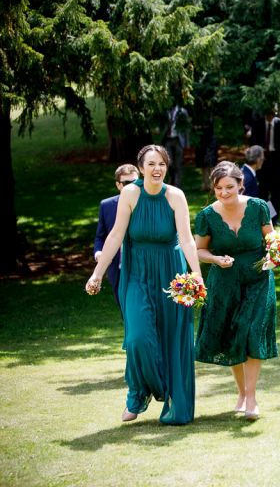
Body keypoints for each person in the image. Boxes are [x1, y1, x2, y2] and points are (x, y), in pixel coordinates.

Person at [85, 145, 202, 425]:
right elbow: (114, 236)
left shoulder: (176, 196)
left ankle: (164, 394)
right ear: (140, 167)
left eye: (162, 163)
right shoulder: (130, 193)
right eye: (151, 164)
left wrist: (196, 274)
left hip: (172, 274)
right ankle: (141, 391)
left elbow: (186, 239)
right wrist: (97, 274)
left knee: (172, 337)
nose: (157, 169)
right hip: (137, 274)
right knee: (138, 338)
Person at [194, 161, 277, 420]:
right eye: (219, 188)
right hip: (225, 282)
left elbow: (270, 237)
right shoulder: (206, 215)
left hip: (258, 278)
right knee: (234, 336)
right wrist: (217, 260)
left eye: (229, 187)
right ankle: (241, 392)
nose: (224, 192)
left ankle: (251, 398)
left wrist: (279, 248)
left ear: (241, 185)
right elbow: (199, 250)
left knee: (252, 332)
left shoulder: (258, 207)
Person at [94, 164, 140, 312]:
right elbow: (101, 236)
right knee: (124, 310)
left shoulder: (147, 203)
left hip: (143, 265)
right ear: (118, 185)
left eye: (136, 182)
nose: (133, 187)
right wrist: (98, 252)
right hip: (117, 267)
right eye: (127, 183)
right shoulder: (106, 205)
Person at [253, 108, 280, 225]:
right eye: (268, 114)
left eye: (272, 114)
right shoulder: (258, 124)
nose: (270, 117)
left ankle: (274, 218)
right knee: (263, 190)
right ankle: (264, 216)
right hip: (262, 161)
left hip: (277, 162)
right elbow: (253, 142)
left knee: (276, 191)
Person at [163, 104, 191, 188]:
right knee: (169, 163)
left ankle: (177, 185)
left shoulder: (182, 111)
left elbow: (186, 128)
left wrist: (187, 143)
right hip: (168, 139)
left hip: (178, 140)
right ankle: (172, 179)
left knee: (178, 163)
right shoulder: (166, 111)